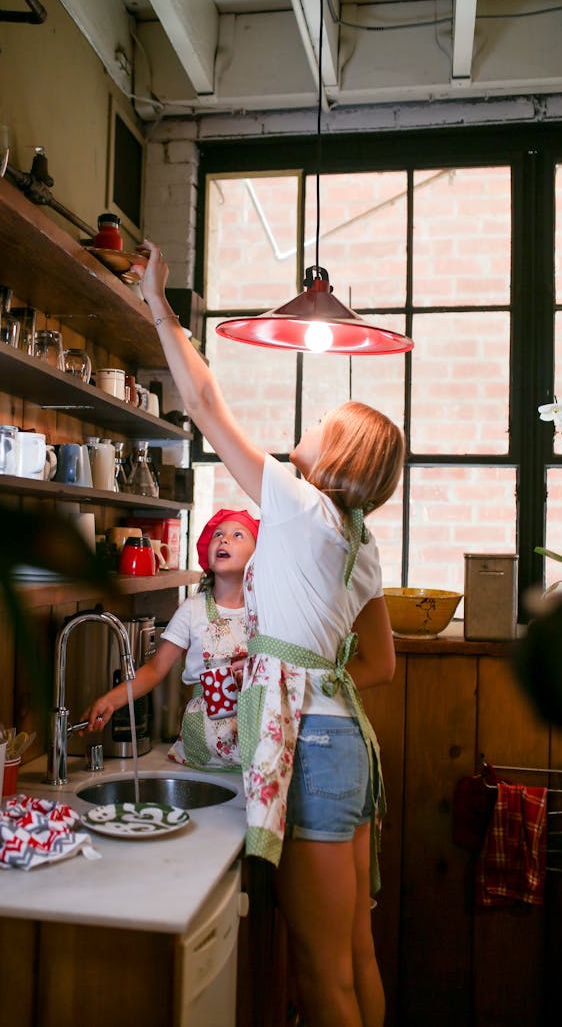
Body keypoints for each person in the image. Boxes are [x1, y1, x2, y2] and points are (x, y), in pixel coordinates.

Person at [139, 239, 405, 1027]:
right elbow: (382, 663)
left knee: (323, 981)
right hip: (346, 746)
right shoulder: (359, 539)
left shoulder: (298, 505)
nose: (310, 427)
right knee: (356, 958)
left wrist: (158, 304)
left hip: (316, 753)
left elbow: (205, 405)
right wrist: (313, 674)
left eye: (324, 424)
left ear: (340, 455)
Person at [82, 509, 259, 770]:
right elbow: (155, 669)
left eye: (237, 535)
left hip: (256, 751)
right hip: (202, 753)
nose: (224, 540)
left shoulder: (266, 611)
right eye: (218, 535)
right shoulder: (193, 609)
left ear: (258, 556)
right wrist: (112, 700)